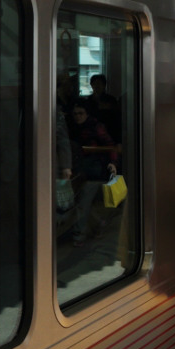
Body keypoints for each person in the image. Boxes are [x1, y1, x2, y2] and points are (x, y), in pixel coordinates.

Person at [67, 102, 118, 246]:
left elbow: (110, 145)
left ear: (87, 113)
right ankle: (98, 224)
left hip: (93, 169)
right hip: (79, 169)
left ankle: (79, 235)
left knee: (83, 201)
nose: (77, 117)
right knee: (82, 202)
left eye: (80, 113)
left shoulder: (96, 127)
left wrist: (113, 163)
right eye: (75, 114)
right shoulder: (73, 128)